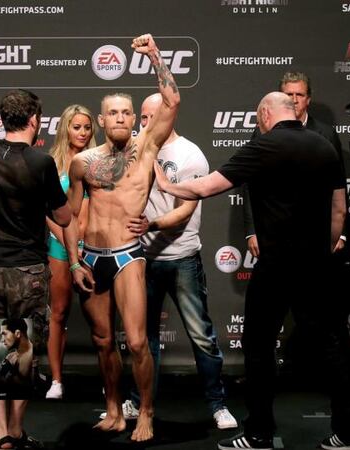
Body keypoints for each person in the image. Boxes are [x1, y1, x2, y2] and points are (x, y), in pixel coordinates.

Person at [152, 92, 350, 450]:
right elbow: (339, 210)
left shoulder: (264, 146)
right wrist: (321, 251)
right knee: (333, 346)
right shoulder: (324, 145)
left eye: (257, 118)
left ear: (265, 114)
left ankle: (260, 433)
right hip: (317, 265)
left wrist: (166, 184)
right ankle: (349, 433)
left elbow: (206, 187)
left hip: (277, 265)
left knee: (259, 346)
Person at [0, 89, 92, 450]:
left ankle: (0, 436)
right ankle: (16, 430)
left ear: (3, 120)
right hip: (27, 271)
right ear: (33, 121)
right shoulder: (40, 164)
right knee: (24, 352)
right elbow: (63, 217)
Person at [67, 33, 180, 442]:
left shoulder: (147, 149)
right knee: (101, 341)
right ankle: (114, 410)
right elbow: (72, 214)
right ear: (101, 120)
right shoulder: (83, 162)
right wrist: (74, 260)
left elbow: (171, 102)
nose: (118, 118)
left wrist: (154, 55)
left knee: (136, 341)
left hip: (128, 255)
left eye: (125, 113)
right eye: (111, 113)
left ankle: (145, 412)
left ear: (135, 119)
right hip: (91, 257)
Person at [118, 93, 236, 429]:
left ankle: (217, 404)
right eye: (141, 118)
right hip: (142, 259)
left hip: (182, 257)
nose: (143, 125)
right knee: (143, 338)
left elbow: (185, 211)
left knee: (201, 336)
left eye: (150, 118)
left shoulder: (189, 155)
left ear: (168, 117)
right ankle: (139, 404)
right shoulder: (133, 149)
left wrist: (150, 224)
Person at [244, 71, 345, 258]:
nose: (294, 100)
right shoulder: (262, 133)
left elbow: (338, 185)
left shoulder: (326, 134)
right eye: (289, 95)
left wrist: (340, 232)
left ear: (308, 99)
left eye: (299, 95)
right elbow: (252, 185)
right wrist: (253, 230)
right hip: (273, 233)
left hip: (316, 231)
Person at [44, 104, 97, 400]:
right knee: (59, 313)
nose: (82, 132)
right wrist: (68, 243)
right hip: (60, 247)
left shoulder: (100, 160)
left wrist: (84, 245)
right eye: (76, 127)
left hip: (94, 248)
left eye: (86, 127)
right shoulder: (51, 163)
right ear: (65, 128)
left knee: (101, 320)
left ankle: (108, 379)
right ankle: (56, 380)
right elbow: (47, 212)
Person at [0, 318, 34, 392]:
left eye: (4, 334)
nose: (2, 340)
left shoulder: (32, 355)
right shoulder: (11, 356)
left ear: (17, 333)